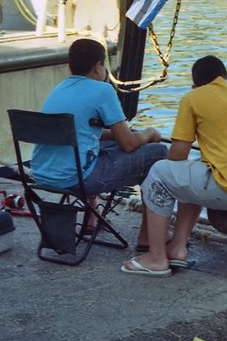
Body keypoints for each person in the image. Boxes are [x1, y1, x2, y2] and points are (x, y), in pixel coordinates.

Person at [122, 55, 227, 276]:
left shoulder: (193, 97)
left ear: (194, 85)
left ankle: (156, 257)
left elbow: (177, 155)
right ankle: (178, 247)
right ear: (225, 77)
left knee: (159, 173)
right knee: (193, 171)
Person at [32, 38, 166, 236]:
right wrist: (149, 133)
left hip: (42, 174)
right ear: (98, 66)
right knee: (158, 153)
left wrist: (115, 135)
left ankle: (91, 217)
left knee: (101, 146)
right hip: (75, 179)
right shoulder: (103, 90)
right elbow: (129, 144)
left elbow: (79, 133)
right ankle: (149, 235)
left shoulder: (59, 89)